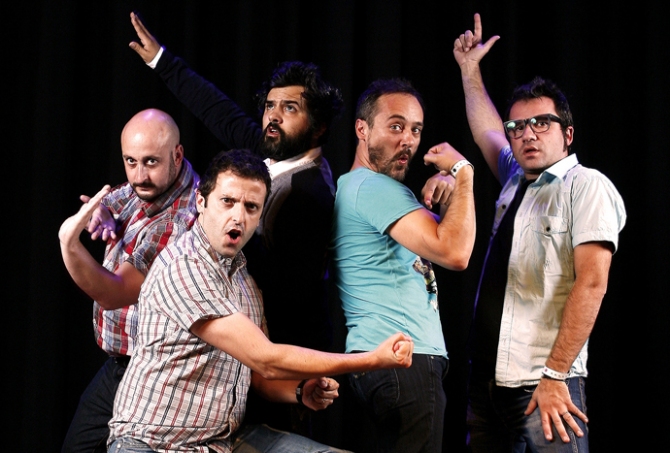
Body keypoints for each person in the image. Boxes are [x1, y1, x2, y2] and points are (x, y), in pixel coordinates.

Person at [107, 149, 414, 453]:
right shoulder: (183, 266)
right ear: (201, 202)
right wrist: (374, 359)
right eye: (227, 202)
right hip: (151, 443)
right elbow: (266, 359)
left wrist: (300, 390)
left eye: (251, 207)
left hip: (220, 442)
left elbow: (256, 375)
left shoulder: (245, 282)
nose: (238, 217)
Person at [128, 12, 343, 434]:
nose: (273, 117)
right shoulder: (275, 153)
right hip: (253, 355)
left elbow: (291, 292)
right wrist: (162, 61)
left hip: (282, 363)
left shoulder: (308, 194)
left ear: (318, 127)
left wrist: (222, 230)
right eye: (270, 106)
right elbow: (220, 112)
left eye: (290, 108)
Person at [453, 14, 627, 452]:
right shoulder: (515, 179)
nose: (527, 134)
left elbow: (593, 283)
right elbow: (487, 129)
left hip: (542, 385)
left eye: (541, 123)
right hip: (486, 383)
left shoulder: (585, 185)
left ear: (567, 134)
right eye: (518, 128)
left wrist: (555, 374)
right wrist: (469, 70)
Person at [329, 78, 477, 452]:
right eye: (396, 126)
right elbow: (456, 252)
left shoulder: (359, 188)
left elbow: (442, 234)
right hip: (405, 360)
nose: (408, 140)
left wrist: (446, 190)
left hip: (386, 362)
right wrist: (463, 172)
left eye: (415, 130)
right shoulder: (373, 187)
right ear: (362, 129)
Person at [59, 109, 199, 453]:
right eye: (130, 161)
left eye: (151, 162)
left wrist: (69, 244)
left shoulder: (181, 220)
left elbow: (114, 293)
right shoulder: (153, 184)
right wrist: (102, 212)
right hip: (121, 364)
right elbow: (114, 198)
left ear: (177, 155)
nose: (139, 176)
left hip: (156, 375)